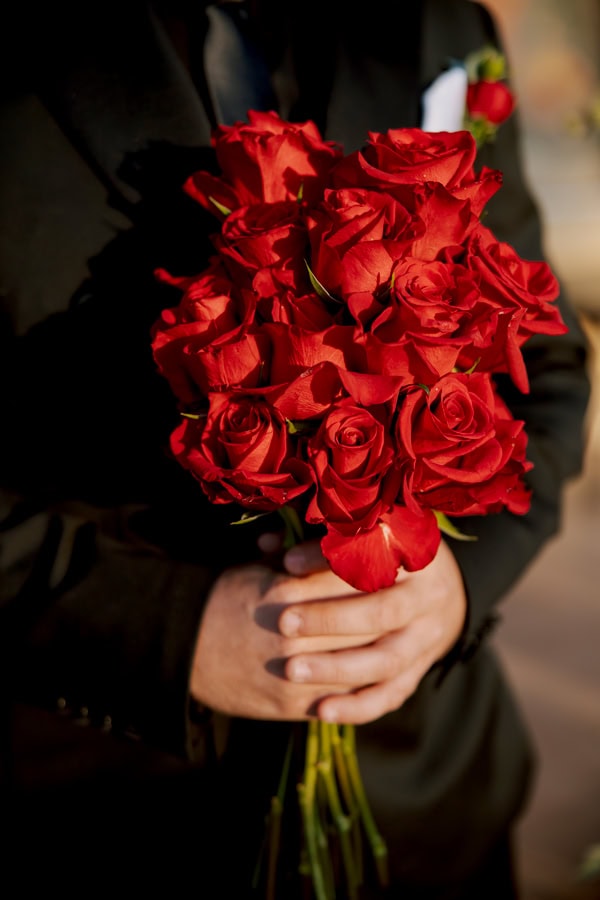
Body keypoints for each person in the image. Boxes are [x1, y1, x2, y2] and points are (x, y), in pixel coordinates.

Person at [0, 1, 591, 897]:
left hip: (438, 805)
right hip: (107, 816)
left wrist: (455, 590)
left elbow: (545, 368)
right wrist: (173, 633)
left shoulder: (436, 20)